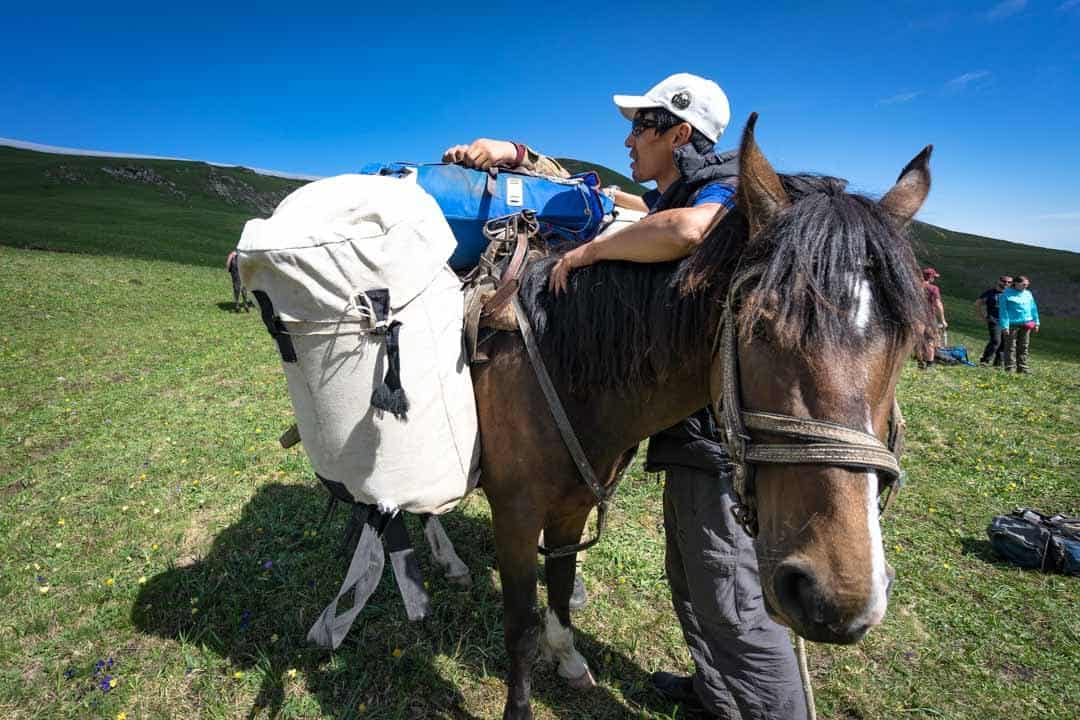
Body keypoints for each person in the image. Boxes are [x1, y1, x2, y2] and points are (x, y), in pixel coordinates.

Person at [445, 73, 808, 720]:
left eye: (642, 125)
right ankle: (715, 692)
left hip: (717, 439)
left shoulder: (720, 188)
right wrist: (521, 157)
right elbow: (612, 196)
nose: (628, 136)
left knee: (729, 594)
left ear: (681, 133)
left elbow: (691, 230)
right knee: (694, 582)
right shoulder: (680, 184)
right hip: (683, 431)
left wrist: (586, 256)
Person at [1000, 275, 1040, 373]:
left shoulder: (1028, 294)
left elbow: (1033, 308)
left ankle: (1022, 367)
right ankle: (1010, 368)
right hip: (1012, 325)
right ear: (1016, 283)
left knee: (1024, 346)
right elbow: (1003, 311)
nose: (1025, 286)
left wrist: (1036, 322)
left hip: (1026, 324)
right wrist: (1005, 326)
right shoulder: (1006, 294)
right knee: (1010, 347)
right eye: (1023, 284)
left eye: (1027, 284)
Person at [974, 275, 1012, 366]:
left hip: (1008, 321)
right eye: (1004, 281)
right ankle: (985, 361)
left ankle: (998, 364)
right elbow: (977, 304)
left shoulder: (1011, 294)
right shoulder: (990, 293)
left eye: (1009, 282)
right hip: (994, 320)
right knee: (996, 340)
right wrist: (982, 316)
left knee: (1004, 343)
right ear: (999, 281)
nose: (1006, 283)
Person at [919, 267, 947, 368]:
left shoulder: (915, 287)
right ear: (930, 277)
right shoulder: (933, 289)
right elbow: (938, 304)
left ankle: (920, 361)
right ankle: (929, 364)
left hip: (915, 317)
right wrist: (943, 319)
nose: (934, 279)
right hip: (928, 318)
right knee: (930, 340)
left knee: (918, 340)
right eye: (933, 277)